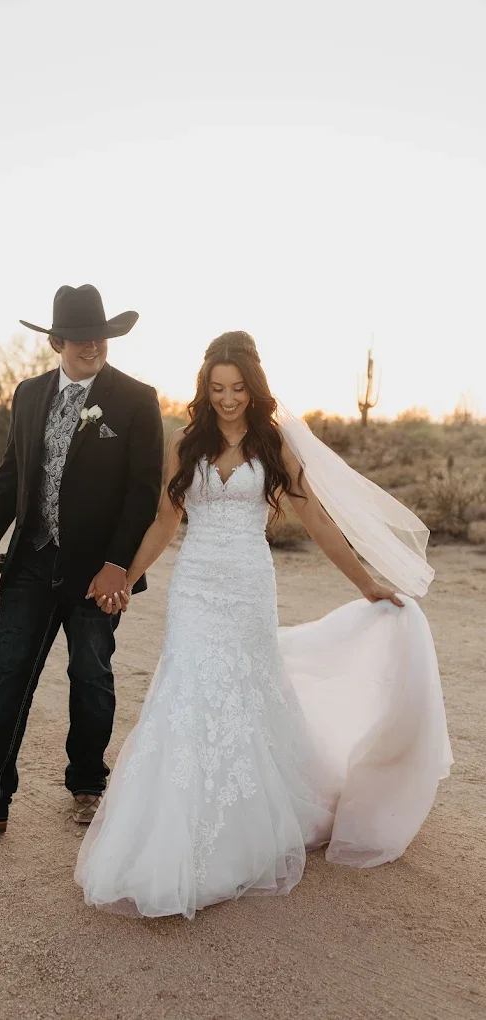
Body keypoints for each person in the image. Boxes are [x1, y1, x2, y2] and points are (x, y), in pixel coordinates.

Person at [76, 331, 452, 919]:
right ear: (205, 389)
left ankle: (244, 827)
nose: (227, 399)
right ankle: (174, 830)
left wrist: (366, 583)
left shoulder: (273, 443)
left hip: (249, 588)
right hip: (196, 587)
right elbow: (164, 523)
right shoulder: (186, 444)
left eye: (238, 388)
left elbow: (318, 520)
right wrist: (124, 572)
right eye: (217, 388)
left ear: (254, 389)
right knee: (187, 692)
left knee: (245, 697)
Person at [0, 285, 163, 832]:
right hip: (30, 563)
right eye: (82, 338)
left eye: (101, 337)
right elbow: (10, 478)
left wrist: (119, 564)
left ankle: (88, 784)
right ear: (57, 341)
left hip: (97, 571)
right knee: (9, 674)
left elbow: (142, 493)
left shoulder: (136, 399)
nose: (94, 347)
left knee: (91, 675)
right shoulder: (28, 394)